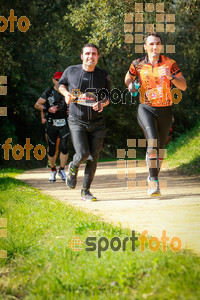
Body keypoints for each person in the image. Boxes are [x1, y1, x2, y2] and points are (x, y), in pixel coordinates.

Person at [125, 32, 187, 196]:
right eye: (151, 44)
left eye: (157, 43)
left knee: (160, 148)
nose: (154, 46)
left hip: (165, 110)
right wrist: (131, 86)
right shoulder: (137, 64)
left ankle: (153, 174)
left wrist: (171, 77)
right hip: (146, 108)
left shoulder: (170, 63)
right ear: (145, 46)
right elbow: (128, 79)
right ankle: (154, 182)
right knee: (152, 141)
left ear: (161, 46)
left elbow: (183, 86)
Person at [58, 43, 110, 201]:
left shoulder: (104, 75)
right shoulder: (71, 70)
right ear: (82, 56)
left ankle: (85, 191)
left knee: (93, 157)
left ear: (98, 57)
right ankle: (73, 167)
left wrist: (102, 103)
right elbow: (61, 85)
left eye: (94, 54)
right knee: (83, 154)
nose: (90, 56)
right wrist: (66, 94)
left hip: (97, 123)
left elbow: (108, 96)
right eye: (87, 53)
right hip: (77, 120)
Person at [34, 72, 70, 182]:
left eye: (61, 79)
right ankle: (53, 169)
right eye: (56, 79)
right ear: (53, 80)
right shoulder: (48, 92)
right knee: (52, 149)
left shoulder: (68, 91)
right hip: (51, 123)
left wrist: (71, 111)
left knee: (64, 147)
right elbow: (37, 104)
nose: (58, 81)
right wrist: (48, 109)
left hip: (64, 122)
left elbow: (77, 103)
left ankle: (62, 170)